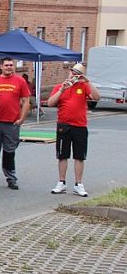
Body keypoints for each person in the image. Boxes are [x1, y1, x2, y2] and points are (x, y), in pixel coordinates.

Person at [47, 62, 100, 197]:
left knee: (79, 156)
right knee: (62, 156)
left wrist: (87, 81)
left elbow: (97, 97)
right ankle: (61, 182)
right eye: (73, 73)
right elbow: (50, 103)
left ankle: (78, 184)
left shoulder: (84, 86)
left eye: (77, 75)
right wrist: (62, 90)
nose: (74, 76)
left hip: (80, 126)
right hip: (64, 126)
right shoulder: (60, 86)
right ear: (69, 72)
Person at [0, 57, 30, 190]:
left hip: (11, 123)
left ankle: (11, 178)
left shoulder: (20, 81)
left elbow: (26, 101)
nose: (9, 67)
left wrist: (21, 119)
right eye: (6, 65)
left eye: (11, 65)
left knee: (9, 152)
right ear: (1, 67)